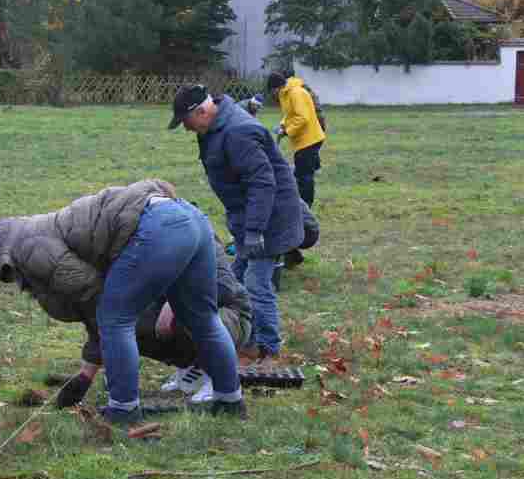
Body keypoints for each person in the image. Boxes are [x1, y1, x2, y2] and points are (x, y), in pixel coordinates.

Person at [0, 179, 245, 423]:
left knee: (116, 319)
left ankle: (122, 408)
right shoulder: (45, 227)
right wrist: (87, 373)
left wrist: (94, 357)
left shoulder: (27, 245)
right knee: (203, 318)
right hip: (191, 218)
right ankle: (229, 400)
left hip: (159, 227)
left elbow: (92, 293)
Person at [170, 84, 303, 367]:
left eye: (186, 121)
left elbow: (262, 182)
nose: (185, 129)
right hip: (252, 218)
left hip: (270, 219)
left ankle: (268, 349)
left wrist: (255, 230)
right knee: (234, 279)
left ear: (202, 111)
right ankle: (247, 340)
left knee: (256, 283)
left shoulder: (236, 131)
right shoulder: (217, 127)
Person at [53, 254, 252, 407]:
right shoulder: (130, 244)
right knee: (128, 325)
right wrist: (85, 376)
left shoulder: (195, 229)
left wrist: (177, 302)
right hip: (175, 308)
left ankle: (219, 378)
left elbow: (224, 287)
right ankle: (192, 366)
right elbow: (113, 317)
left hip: (229, 311)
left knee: (194, 316)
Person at [265, 72, 325, 208]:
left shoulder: (296, 93)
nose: (272, 95)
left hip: (310, 139)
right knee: (302, 171)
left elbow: (302, 118)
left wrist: (286, 131)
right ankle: (302, 202)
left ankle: (306, 205)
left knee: (304, 175)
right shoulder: (285, 94)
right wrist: (282, 124)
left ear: (276, 88)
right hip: (302, 140)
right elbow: (290, 115)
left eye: (272, 91)